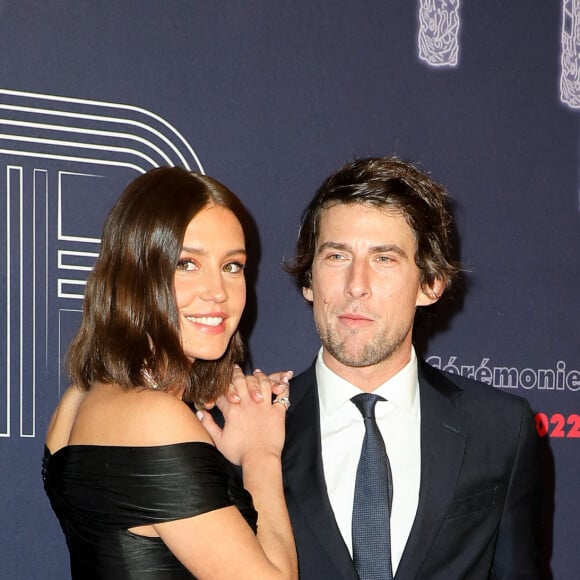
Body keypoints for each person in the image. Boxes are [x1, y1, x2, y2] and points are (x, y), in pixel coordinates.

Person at [282, 157, 541, 579]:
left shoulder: (498, 429)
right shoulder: (251, 427)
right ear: (309, 279)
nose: (356, 285)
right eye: (336, 256)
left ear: (430, 284)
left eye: (384, 259)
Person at [42, 167, 297, 580]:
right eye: (186, 263)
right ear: (136, 274)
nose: (217, 291)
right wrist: (260, 455)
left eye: (232, 266)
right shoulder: (155, 418)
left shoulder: (78, 399)